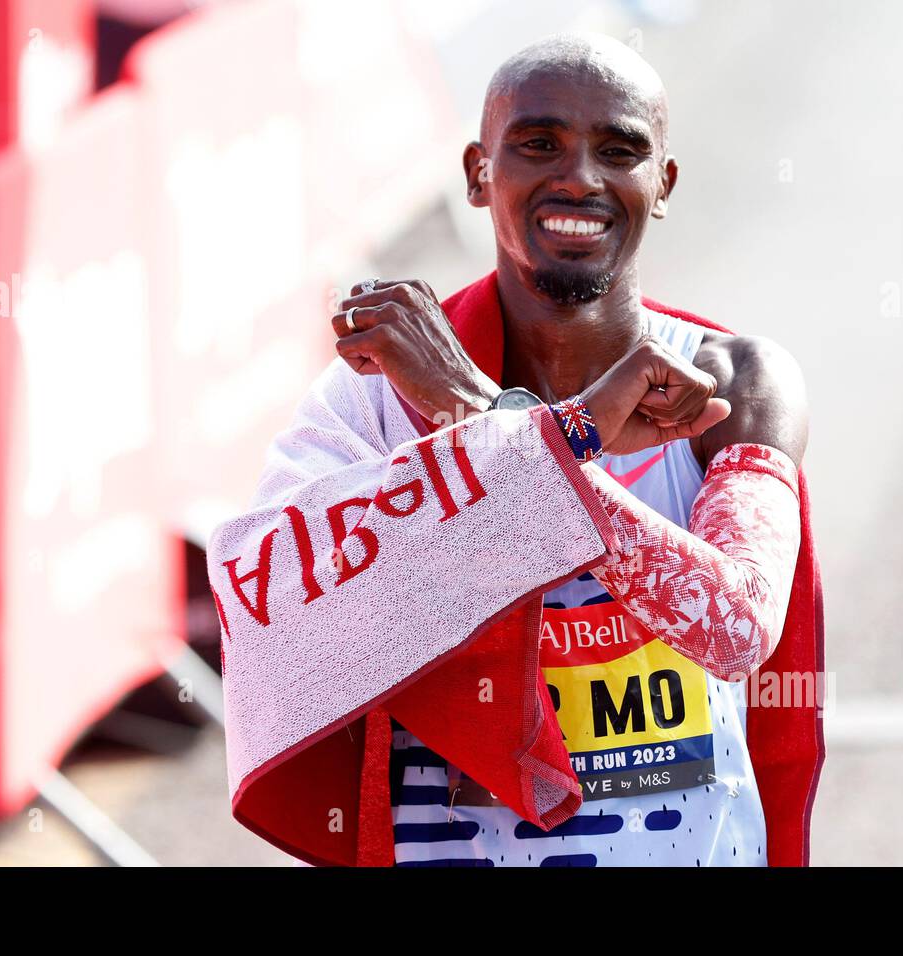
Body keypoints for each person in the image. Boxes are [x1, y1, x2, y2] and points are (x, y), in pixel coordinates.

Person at [209, 32, 823, 868]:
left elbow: (732, 627)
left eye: (620, 150)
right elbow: (268, 619)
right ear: (476, 172)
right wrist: (540, 440)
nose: (579, 177)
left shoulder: (732, 383)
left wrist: (486, 419)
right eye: (539, 144)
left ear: (663, 184)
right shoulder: (374, 399)